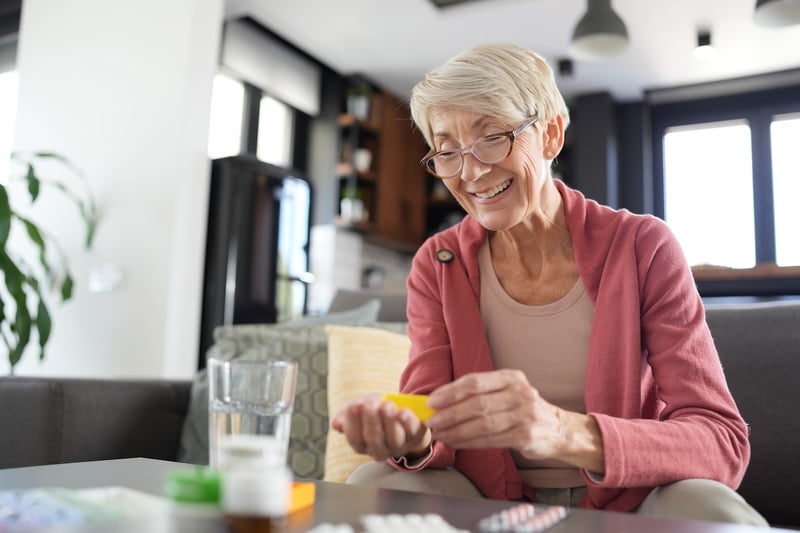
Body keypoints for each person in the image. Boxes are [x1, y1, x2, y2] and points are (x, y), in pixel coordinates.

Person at [330, 43, 767, 526]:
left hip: (631, 499)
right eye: (448, 150)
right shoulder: (438, 262)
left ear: (551, 135)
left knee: (711, 510)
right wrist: (408, 435)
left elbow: (721, 439)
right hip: (486, 501)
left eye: (492, 137)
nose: (471, 172)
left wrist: (563, 432)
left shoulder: (643, 245)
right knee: (370, 485)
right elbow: (428, 417)